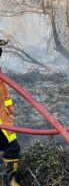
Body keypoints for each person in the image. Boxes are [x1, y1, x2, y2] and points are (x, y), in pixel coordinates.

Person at [0, 39, 21, 186]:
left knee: (11, 146)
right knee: (12, 147)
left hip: (3, 117)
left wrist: (9, 107)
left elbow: (3, 88)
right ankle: (9, 182)